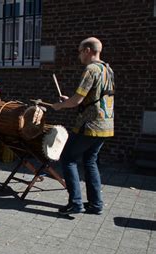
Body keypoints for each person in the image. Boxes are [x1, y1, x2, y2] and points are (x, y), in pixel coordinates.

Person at [52, 37, 114, 215]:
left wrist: (61, 105)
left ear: (88, 50)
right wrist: (70, 100)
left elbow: (78, 99)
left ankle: (76, 203)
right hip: (106, 125)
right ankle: (95, 204)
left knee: (68, 158)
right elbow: (94, 97)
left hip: (90, 124)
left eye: (80, 51)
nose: (79, 55)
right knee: (90, 161)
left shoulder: (91, 69)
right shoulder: (108, 69)